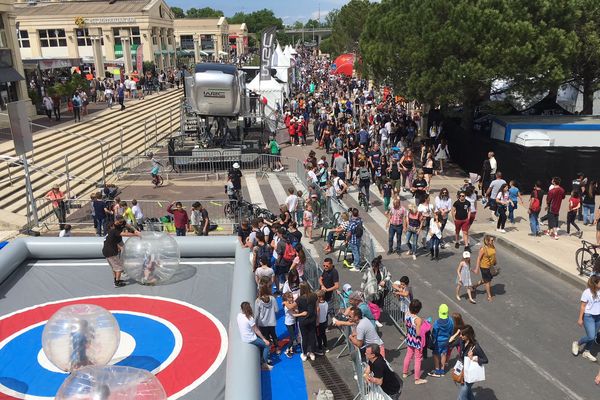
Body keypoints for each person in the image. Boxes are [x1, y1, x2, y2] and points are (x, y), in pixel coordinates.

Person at [102, 216, 140, 287]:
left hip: (107, 250)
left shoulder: (113, 231)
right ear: (115, 221)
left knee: (114, 266)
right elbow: (124, 234)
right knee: (119, 268)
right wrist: (135, 235)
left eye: (122, 222)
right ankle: (117, 282)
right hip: (111, 251)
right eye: (120, 222)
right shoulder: (114, 230)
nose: (121, 223)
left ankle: (116, 278)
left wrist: (135, 230)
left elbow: (128, 226)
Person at [455, 325, 488, 400]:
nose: (460, 336)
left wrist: (473, 358)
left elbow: (485, 360)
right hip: (464, 371)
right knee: (468, 393)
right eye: (460, 334)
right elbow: (448, 344)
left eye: (462, 334)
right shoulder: (462, 341)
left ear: (468, 335)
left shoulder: (475, 346)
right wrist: (455, 335)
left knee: (461, 397)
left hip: (470, 373)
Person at [236, 302, 272, 371]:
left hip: (244, 337)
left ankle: (262, 356)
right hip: (251, 339)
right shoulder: (250, 318)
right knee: (267, 345)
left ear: (241, 309)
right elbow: (256, 330)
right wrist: (264, 339)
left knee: (262, 343)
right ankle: (264, 364)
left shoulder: (239, 315)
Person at [572, 275, 600, 362]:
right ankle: (577, 343)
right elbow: (583, 306)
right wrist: (580, 318)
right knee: (591, 336)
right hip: (589, 316)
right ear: (595, 284)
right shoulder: (587, 292)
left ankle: (586, 352)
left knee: (594, 336)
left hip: (598, 316)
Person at [402, 299, 427, 385]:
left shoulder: (406, 314)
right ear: (418, 309)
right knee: (417, 359)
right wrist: (423, 325)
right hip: (416, 341)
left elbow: (406, 325)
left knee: (408, 355)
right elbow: (418, 333)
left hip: (409, 338)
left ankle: (405, 373)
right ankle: (417, 379)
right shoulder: (418, 319)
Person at [428, 304, 455, 377]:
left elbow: (434, 333)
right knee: (444, 354)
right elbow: (452, 331)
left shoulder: (437, 322)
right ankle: (442, 370)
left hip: (438, 341)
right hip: (446, 340)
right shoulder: (451, 320)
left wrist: (432, 340)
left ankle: (437, 370)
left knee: (436, 354)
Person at [295, 282, 318, 361]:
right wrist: (317, 319)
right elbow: (317, 308)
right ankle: (312, 353)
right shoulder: (314, 296)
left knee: (304, 338)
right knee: (312, 336)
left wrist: (285, 302)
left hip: (303, 320)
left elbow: (291, 306)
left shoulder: (299, 299)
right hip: (312, 319)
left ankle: (304, 354)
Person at [255, 284, 280, 359]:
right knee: (274, 335)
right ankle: (277, 349)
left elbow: (256, 314)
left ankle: (267, 352)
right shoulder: (272, 298)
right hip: (272, 321)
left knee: (265, 337)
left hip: (262, 323)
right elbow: (277, 310)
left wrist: (255, 323)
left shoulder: (258, 301)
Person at [473, 235, 497, 302]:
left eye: (493, 240)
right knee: (487, 282)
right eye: (492, 240)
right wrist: (477, 268)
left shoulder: (493, 246)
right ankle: (489, 296)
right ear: (487, 241)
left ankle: (475, 286)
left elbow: (493, 255)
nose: (493, 241)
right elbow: (478, 259)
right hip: (484, 267)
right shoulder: (483, 249)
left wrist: (495, 261)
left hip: (490, 266)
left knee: (486, 279)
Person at [282, 292, 298, 358]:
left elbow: (294, 310)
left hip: (292, 322)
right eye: (290, 297)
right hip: (288, 323)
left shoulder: (290, 304)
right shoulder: (287, 306)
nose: (292, 298)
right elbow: (293, 312)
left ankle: (291, 348)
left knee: (292, 336)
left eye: (292, 297)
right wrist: (302, 314)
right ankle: (287, 350)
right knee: (292, 337)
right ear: (287, 299)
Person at [316, 290, 329, 354]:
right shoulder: (326, 303)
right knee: (323, 335)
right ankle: (326, 346)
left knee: (319, 336)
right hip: (324, 321)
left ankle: (320, 348)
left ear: (320, 297)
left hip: (319, 322)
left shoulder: (318, 305)